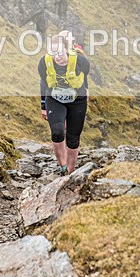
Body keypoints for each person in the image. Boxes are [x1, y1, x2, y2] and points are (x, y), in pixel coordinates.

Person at [38, 32, 90, 176]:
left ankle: (70, 172)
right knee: (57, 132)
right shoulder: (44, 62)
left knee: (73, 138)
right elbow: (44, 83)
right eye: (53, 53)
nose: (57, 57)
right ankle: (62, 166)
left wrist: (86, 90)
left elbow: (84, 75)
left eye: (60, 52)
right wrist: (43, 106)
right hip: (54, 99)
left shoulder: (81, 61)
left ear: (67, 49)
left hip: (77, 101)